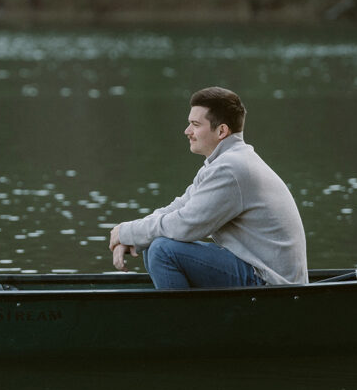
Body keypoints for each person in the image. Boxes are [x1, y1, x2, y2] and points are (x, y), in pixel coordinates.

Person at [108, 87, 307, 289]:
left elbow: (185, 225)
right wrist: (132, 235)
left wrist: (127, 233)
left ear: (221, 131)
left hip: (271, 283)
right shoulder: (224, 162)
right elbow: (178, 208)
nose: (187, 131)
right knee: (154, 244)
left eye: (195, 124)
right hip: (261, 272)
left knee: (162, 249)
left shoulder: (231, 169)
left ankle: (183, 320)